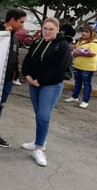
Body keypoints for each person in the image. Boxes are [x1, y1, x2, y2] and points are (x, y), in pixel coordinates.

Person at [21, 18, 70, 166]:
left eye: (51, 29)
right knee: (39, 114)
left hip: (50, 86)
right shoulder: (37, 42)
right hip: (33, 84)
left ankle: (39, 148)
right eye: (45, 29)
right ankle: (39, 140)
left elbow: (60, 69)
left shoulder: (62, 46)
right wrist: (27, 74)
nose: (47, 32)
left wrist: (40, 80)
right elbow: (28, 60)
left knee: (44, 116)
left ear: (57, 29)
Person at [0, 8, 27, 147]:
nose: (23, 25)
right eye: (21, 22)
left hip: (7, 80)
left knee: (0, 107)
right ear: (12, 20)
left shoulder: (15, 35)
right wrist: (2, 36)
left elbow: (15, 56)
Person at [64, 25, 97, 108]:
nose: (84, 33)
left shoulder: (94, 42)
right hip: (77, 65)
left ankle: (85, 100)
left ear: (92, 33)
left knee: (86, 83)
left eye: (86, 32)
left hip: (87, 67)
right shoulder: (81, 41)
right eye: (83, 31)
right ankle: (74, 97)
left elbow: (92, 53)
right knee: (77, 82)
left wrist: (78, 52)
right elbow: (75, 48)